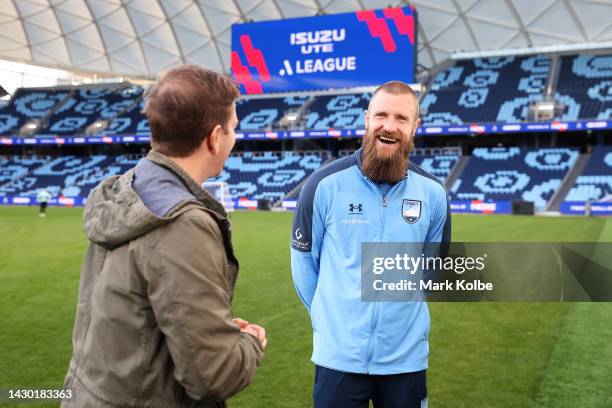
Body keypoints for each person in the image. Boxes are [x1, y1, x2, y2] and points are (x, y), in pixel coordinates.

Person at [62, 65, 266, 407]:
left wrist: (210, 327)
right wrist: (249, 342)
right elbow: (213, 375)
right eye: (233, 129)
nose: (235, 138)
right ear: (214, 138)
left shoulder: (123, 190)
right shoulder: (182, 223)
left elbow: (137, 315)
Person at [291, 81, 451, 408]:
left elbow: (432, 271)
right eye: (381, 115)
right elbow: (304, 265)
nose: (389, 126)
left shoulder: (433, 193)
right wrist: (332, 319)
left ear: (414, 127)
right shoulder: (322, 186)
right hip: (338, 360)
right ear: (366, 119)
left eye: (401, 119)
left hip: (406, 361)